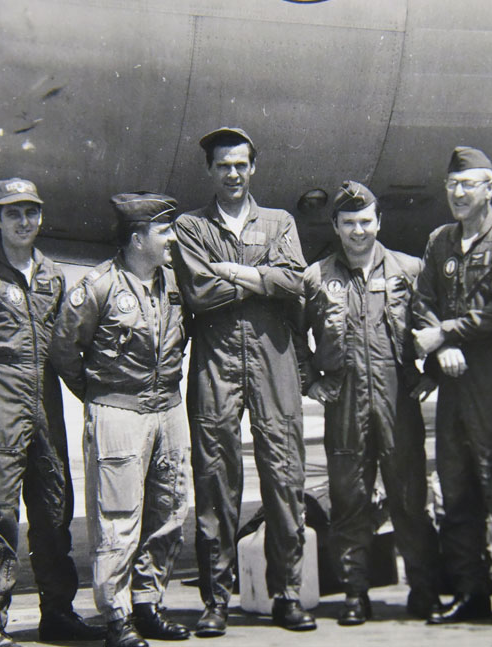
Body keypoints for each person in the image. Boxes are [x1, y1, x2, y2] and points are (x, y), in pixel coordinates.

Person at [0, 178, 104, 647]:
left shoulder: (52, 275)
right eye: (12, 213)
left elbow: (63, 340)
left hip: (45, 394)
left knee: (53, 506)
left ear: (40, 217)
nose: (23, 221)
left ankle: (57, 613)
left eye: (30, 212)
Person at [172, 127, 315, 635]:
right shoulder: (191, 227)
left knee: (284, 473)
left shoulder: (279, 221)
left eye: (240, 165)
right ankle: (216, 600)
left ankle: (288, 593)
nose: (232, 174)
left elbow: (294, 280)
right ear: (210, 171)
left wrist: (234, 272)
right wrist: (261, 280)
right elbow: (198, 291)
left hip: (272, 361)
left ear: (253, 168)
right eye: (222, 166)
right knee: (215, 478)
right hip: (216, 364)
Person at [50, 192, 193, 647]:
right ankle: (118, 618)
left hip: (168, 408)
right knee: (117, 518)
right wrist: (100, 398)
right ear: (137, 238)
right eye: (163, 231)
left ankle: (149, 605)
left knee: (169, 510)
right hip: (119, 412)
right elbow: (63, 351)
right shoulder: (96, 287)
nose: (172, 238)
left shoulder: (173, 282)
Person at [299, 181, 444, 625]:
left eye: (366, 222)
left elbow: (433, 324)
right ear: (336, 227)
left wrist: (432, 375)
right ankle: (355, 593)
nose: (358, 231)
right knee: (350, 500)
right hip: (345, 405)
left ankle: (423, 588)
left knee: (409, 496)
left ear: (379, 222)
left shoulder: (408, 270)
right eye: (349, 223)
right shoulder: (317, 277)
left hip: (398, 401)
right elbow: (292, 337)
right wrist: (310, 382)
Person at [412, 147, 492, 627]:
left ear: (490, 189)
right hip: (454, 382)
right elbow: (421, 302)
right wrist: (441, 348)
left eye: (469, 185)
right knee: (457, 485)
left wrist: (449, 332)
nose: (458, 194)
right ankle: (471, 591)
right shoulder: (440, 240)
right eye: (452, 186)